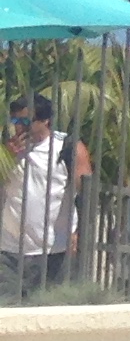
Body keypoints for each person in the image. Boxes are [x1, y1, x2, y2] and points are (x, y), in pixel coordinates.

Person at [1, 95, 91, 295]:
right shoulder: (6, 147)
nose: (18, 127)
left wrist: (79, 232)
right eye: (15, 120)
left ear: (45, 120)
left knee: (49, 307)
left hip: (54, 250)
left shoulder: (67, 148)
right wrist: (7, 156)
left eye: (26, 121)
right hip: (8, 250)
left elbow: (86, 193)